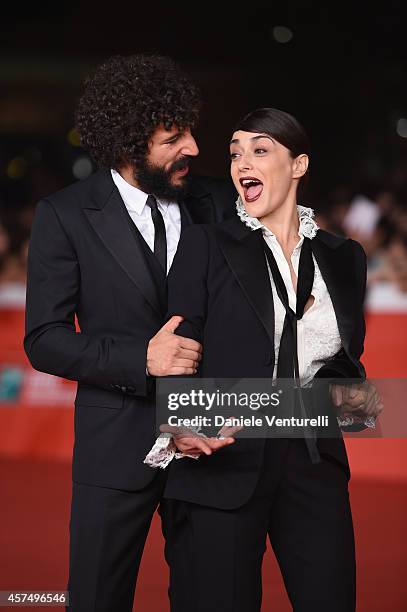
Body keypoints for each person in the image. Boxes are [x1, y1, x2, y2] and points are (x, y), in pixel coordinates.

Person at [23, 54, 236, 612]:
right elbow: (44, 338)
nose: (192, 146)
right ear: (126, 144)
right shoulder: (65, 215)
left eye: (191, 129)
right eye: (173, 137)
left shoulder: (217, 203)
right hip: (115, 449)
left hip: (210, 445)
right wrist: (142, 358)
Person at [158, 108, 383, 612]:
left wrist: (358, 407)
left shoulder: (344, 258)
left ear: (298, 165)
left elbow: (349, 373)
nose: (243, 163)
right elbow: (178, 346)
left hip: (313, 467)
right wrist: (180, 423)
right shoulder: (207, 244)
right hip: (221, 463)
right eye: (235, 152)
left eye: (260, 150)